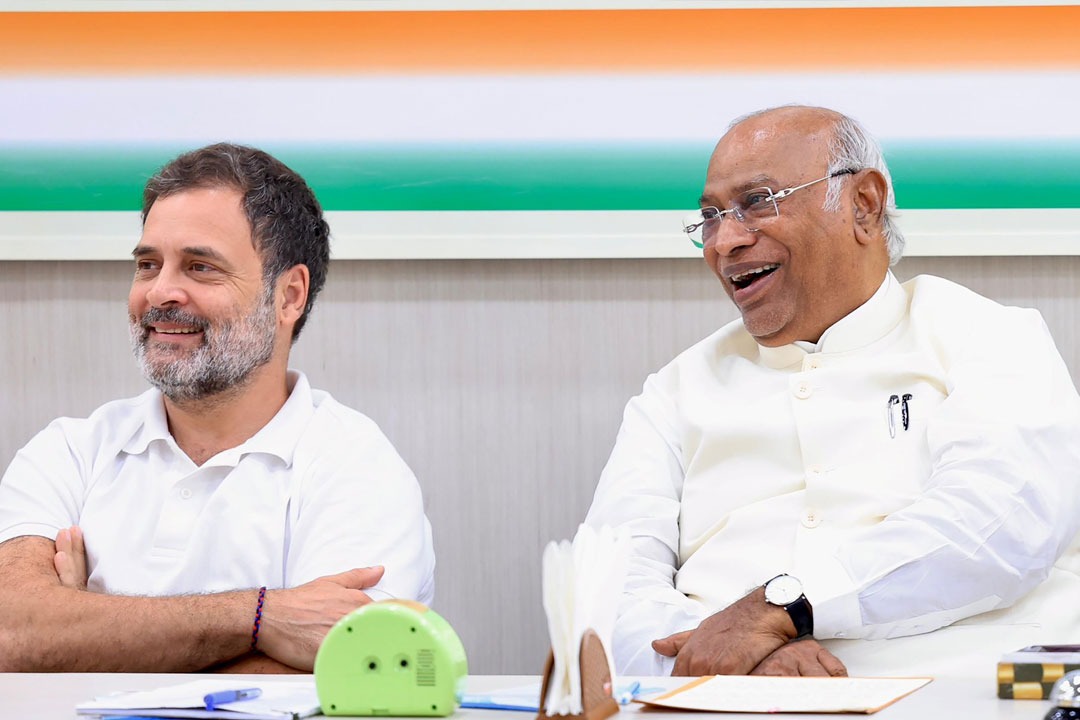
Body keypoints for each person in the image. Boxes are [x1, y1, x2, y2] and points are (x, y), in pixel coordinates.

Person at [584, 105, 1080, 678]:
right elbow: (607, 581)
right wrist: (728, 657)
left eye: (757, 202)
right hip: (724, 700)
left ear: (863, 204)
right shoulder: (675, 390)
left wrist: (780, 609)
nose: (724, 241)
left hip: (954, 690)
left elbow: (997, 527)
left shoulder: (989, 337)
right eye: (711, 217)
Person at [0, 143, 435, 673]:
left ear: (289, 296)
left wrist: (83, 633)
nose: (160, 292)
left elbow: (338, 669)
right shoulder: (69, 451)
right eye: (148, 264)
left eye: (200, 267)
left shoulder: (356, 469)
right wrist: (261, 618)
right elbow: (13, 632)